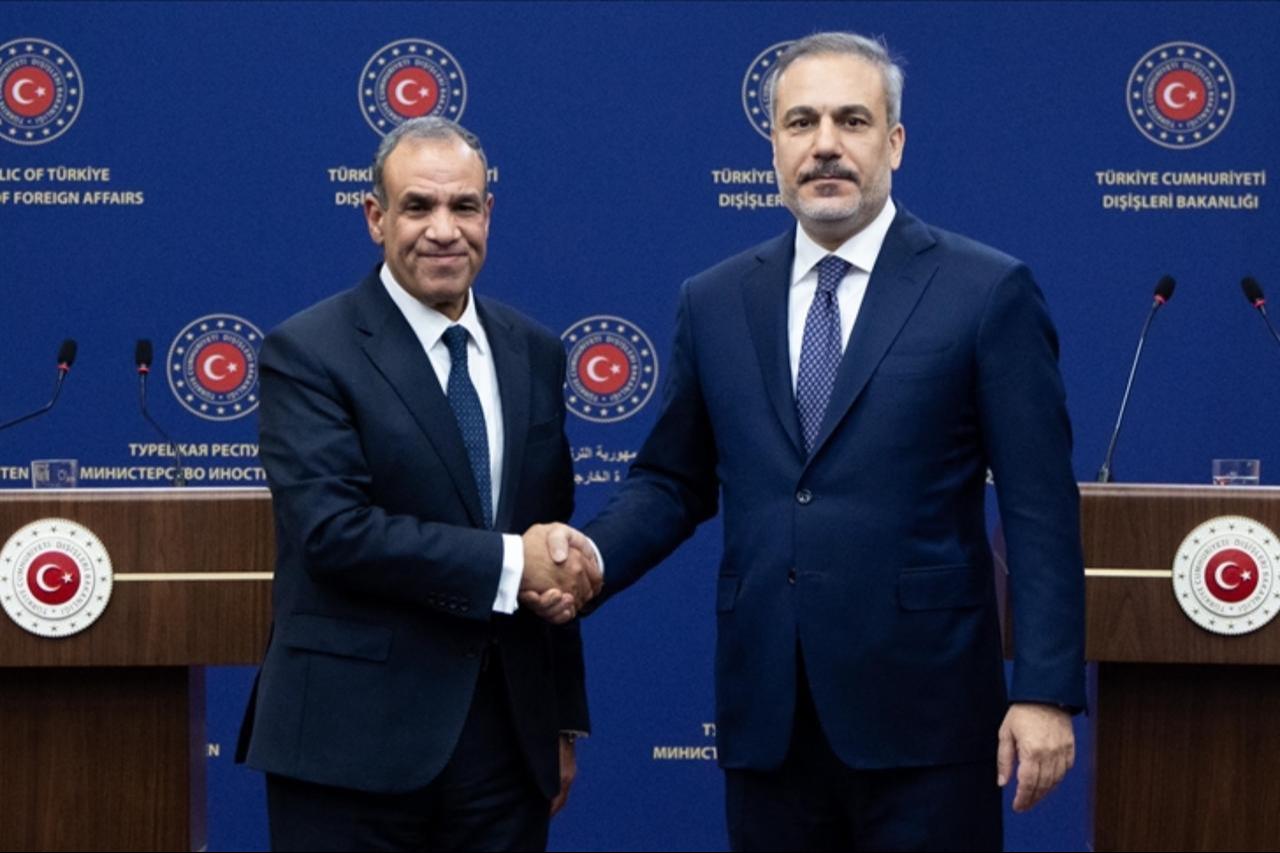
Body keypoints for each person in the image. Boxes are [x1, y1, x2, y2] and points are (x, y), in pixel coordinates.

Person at [537, 31, 1085, 851]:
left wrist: (1044, 690)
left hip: (927, 727)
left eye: (851, 120)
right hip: (771, 723)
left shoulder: (985, 291)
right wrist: (592, 560)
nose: (825, 144)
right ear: (775, 146)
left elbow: (1040, 507)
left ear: (893, 142)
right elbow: (671, 480)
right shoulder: (716, 299)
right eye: (801, 122)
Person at [236, 116, 600, 852]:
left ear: (488, 215)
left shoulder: (535, 351)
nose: (443, 230)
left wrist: (560, 719)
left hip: (504, 747)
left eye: (464, 206)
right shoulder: (306, 351)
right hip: (349, 752)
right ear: (375, 217)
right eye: (418, 207)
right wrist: (508, 564)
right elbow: (334, 532)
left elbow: (548, 535)